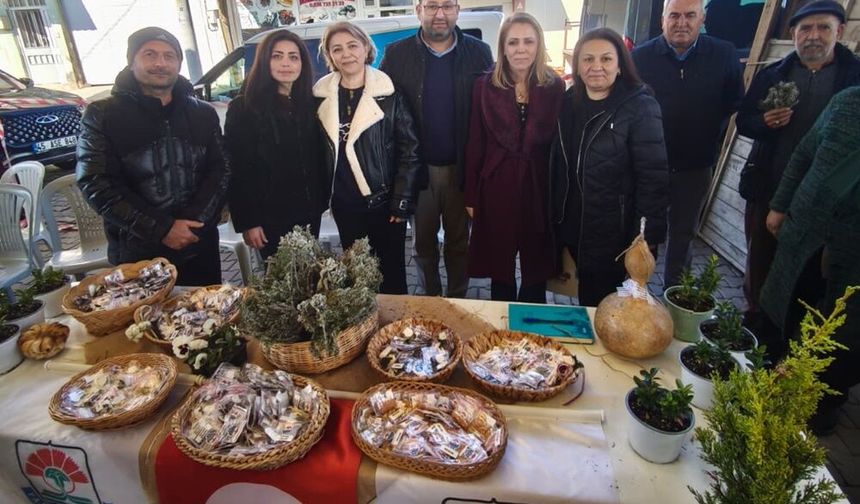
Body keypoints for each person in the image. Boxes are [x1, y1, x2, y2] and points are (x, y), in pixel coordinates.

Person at [736, 0, 860, 330]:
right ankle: (754, 329)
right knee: (761, 260)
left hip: (830, 202)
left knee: (812, 274)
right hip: (769, 184)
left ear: (840, 32)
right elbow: (743, 121)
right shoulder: (774, 74)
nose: (814, 36)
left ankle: (800, 339)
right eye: (805, 28)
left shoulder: (853, 82)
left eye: (823, 27)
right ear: (793, 34)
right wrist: (764, 122)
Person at [77, 27, 229, 286]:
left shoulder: (203, 113)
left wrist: (193, 223)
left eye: (169, 56)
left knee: (210, 318)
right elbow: (95, 182)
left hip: (198, 245)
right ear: (132, 60)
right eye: (150, 54)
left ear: (179, 63)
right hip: (137, 251)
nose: (160, 63)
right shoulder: (103, 115)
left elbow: (220, 170)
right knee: (145, 325)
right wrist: (162, 229)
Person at [760, 86, 860, 434]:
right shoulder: (846, 102)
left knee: (845, 326)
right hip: (808, 229)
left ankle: (823, 399)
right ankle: (772, 368)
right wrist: (780, 203)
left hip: (853, 247)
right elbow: (803, 154)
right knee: (792, 301)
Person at [379, 0, 493, 298]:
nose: (439, 14)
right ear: (418, 10)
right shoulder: (396, 54)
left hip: (462, 170)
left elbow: (492, 108)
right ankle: (430, 300)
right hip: (418, 172)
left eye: (447, 6)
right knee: (422, 246)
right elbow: (379, 107)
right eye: (431, 6)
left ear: (458, 10)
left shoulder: (479, 53)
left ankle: (458, 300)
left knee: (459, 244)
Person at [550, 28, 669, 307]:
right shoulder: (567, 104)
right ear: (577, 66)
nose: (596, 67)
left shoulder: (639, 107)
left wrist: (646, 238)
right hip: (573, 228)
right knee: (585, 306)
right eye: (588, 59)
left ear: (619, 66)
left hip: (613, 237)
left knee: (609, 309)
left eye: (606, 59)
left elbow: (653, 179)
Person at [631, 0, 743, 287]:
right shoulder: (640, 58)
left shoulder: (723, 54)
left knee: (682, 237)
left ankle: (674, 301)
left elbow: (734, 103)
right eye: (675, 16)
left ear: (702, 19)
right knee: (641, 235)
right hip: (647, 168)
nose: (682, 23)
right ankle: (635, 300)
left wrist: (709, 136)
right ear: (662, 20)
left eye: (690, 15)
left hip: (694, 166)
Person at [314, 22, 421, 294]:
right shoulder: (319, 96)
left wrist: (401, 201)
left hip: (384, 204)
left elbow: (410, 150)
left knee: (393, 274)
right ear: (330, 55)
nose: (346, 54)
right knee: (358, 275)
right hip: (345, 205)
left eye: (352, 45)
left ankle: (396, 332)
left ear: (365, 48)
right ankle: (364, 331)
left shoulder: (388, 93)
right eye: (337, 49)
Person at [463, 13, 563, 303]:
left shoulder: (554, 86)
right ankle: (502, 320)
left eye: (528, 41)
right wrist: (471, 195)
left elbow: (559, 146)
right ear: (503, 47)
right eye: (513, 42)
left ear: (538, 45)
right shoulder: (484, 86)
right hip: (496, 183)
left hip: (538, 185)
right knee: (499, 262)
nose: (521, 49)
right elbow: (475, 141)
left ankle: (534, 324)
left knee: (537, 261)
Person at [224, 30, 327, 261]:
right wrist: (249, 222)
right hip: (271, 218)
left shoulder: (310, 103)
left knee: (310, 274)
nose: (286, 63)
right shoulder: (244, 108)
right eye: (277, 56)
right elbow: (237, 169)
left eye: (293, 57)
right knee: (283, 283)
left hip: (310, 211)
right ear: (263, 61)